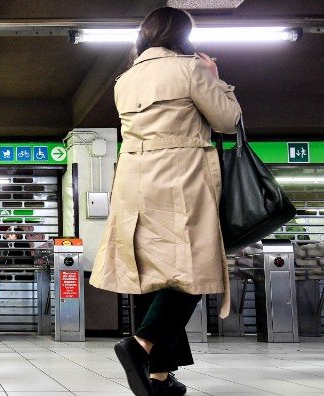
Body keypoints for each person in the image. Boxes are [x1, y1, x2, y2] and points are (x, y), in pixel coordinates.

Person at [89, 7, 241, 396]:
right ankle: (139, 346)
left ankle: (159, 377)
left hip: (134, 180)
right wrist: (216, 79)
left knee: (154, 275)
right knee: (194, 268)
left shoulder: (125, 79)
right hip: (180, 177)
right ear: (183, 35)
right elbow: (227, 120)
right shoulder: (190, 69)